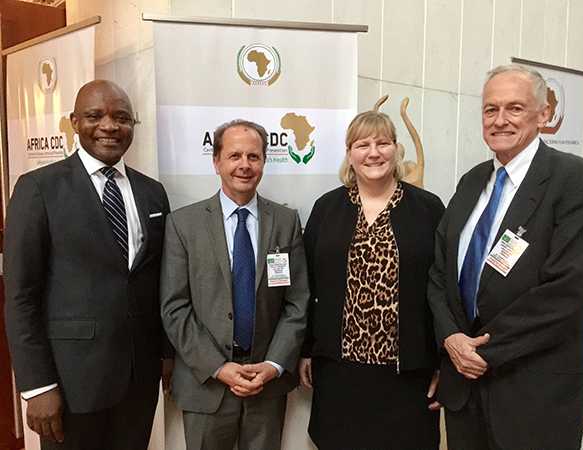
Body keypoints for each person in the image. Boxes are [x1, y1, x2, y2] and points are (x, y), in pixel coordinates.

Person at [428, 64, 583, 450]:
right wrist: (452, 338)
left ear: (543, 115)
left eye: (515, 108)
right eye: (491, 109)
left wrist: (484, 351)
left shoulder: (576, 181)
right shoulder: (472, 180)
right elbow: (440, 272)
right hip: (465, 388)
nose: (500, 120)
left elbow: (565, 291)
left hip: (533, 392)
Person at [4, 80, 172, 450]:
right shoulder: (38, 189)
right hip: (70, 384)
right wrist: (37, 386)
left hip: (138, 381)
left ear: (133, 124)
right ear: (74, 122)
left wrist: (165, 354)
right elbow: (20, 297)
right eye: (95, 116)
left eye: (122, 117)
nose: (110, 126)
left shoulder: (151, 192)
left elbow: (156, 281)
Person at [299, 110, 445, 450]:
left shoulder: (428, 208)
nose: (374, 152)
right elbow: (308, 284)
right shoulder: (327, 208)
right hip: (340, 369)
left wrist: (443, 363)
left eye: (383, 143)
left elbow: (442, 288)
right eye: (362, 144)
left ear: (397, 149)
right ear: (350, 153)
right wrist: (305, 349)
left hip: (407, 370)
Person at [160, 119, 309, 450]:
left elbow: (297, 302)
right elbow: (174, 307)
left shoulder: (286, 222)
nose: (245, 165)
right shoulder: (183, 224)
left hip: (266, 385)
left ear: (264, 163)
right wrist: (217, 367)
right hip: (206, 385)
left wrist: (274, 364)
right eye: (235, 155)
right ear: (216, 161)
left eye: (254, 157)